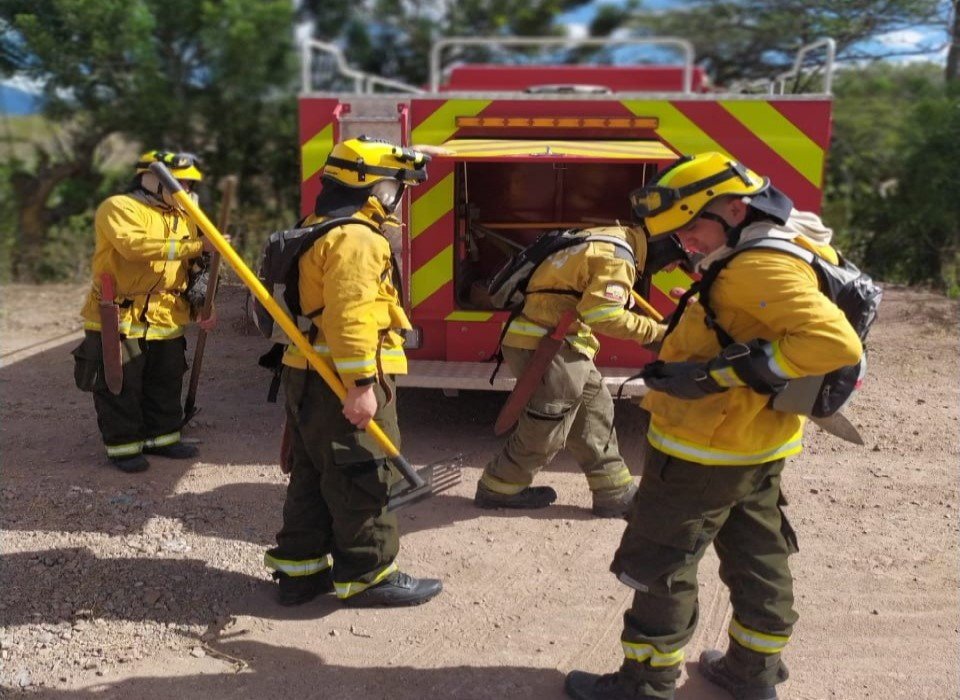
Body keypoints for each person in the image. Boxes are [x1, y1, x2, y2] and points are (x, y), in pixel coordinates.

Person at [564, 152, 864, 700]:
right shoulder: (778, 242)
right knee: (759, 556)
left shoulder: (758, 266)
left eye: (692, 226)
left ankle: (645, 681)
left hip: (704, 449)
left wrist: (716, 374)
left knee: (662, 561)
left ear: (734, 207)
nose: (688, 242)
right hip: (757, 443)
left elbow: (833, 343)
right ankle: (753, 674)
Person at [263, 136, 443, 608]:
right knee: (363, 474)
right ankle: (370, 575)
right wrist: (362, 385)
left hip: (308, 373)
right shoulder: (357, 238)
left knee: (313, 472)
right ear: (377, 189)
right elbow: (352, 315)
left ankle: (300, 573)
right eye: (396, 185)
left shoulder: (318, 226)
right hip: (342, 377)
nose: (398, 196)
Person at [475, 218, 667, 518]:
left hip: (562, 340)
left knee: (595, 411)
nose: (669, 269)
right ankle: (499, 486)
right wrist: (658, 334)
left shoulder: (608, 236)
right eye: (674, 261)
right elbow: (603, 315)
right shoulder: (618, 255)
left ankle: (613, 493)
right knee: (547, 424)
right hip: (547, 344)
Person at [73, 150, 216, 473]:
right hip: (119, 317)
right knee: (119, 384)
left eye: (190, 183)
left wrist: (205, 306)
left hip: (167, 316)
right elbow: (133, 247)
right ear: (150, 179)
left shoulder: (186, 216)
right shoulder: (120, 208)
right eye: (179, 181)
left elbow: (198, 268)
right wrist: (198, 245)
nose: (185, 189)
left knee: (165, 381)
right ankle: (123, 447)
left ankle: (163, 438)